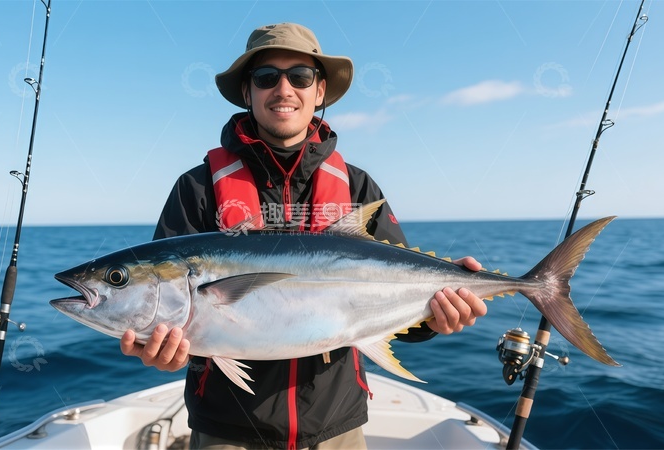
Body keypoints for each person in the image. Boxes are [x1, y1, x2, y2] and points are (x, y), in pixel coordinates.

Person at [120, 23, 488, 449]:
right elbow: (173, 314)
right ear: (248, 92)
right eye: (265, 77)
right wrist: (163, 355)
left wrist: (438, 317)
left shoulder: (357, 186)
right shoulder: (198, 187)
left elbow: (398, 300)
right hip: (227, 429)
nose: (283, 89)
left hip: (337, 427)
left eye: (300, 76)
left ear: (320, 91)